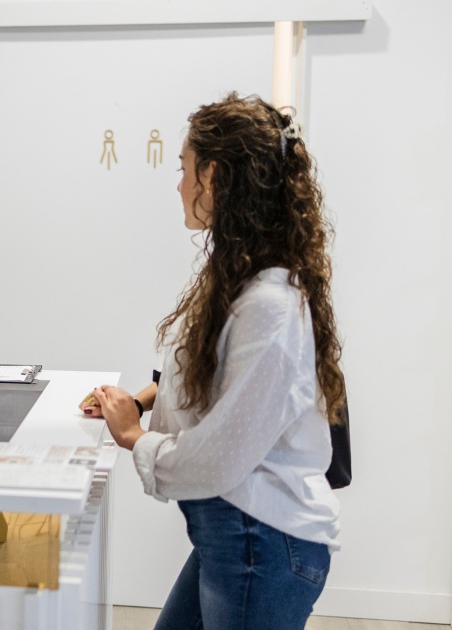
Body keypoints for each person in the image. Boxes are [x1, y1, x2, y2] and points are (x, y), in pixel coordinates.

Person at [85, 93, 344, 629]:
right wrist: (135, 401)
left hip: (261, 541)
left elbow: (221, 456)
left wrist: (135, 436)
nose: (178, 184)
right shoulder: (242, 280)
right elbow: (216, 383)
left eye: (184, 168)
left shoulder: (269, 305)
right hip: (239, 534)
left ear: (215, 175)